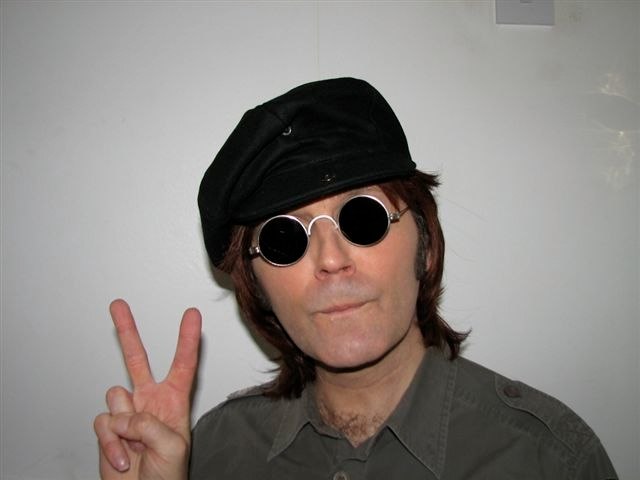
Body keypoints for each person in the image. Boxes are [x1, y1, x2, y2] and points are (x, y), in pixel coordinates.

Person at [94, 78, 618, 479]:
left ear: (425, 244)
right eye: (285, 238)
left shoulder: (548, 459)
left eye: (362, 218)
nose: (330, 259)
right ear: (257, 287)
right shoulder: (215, 453)